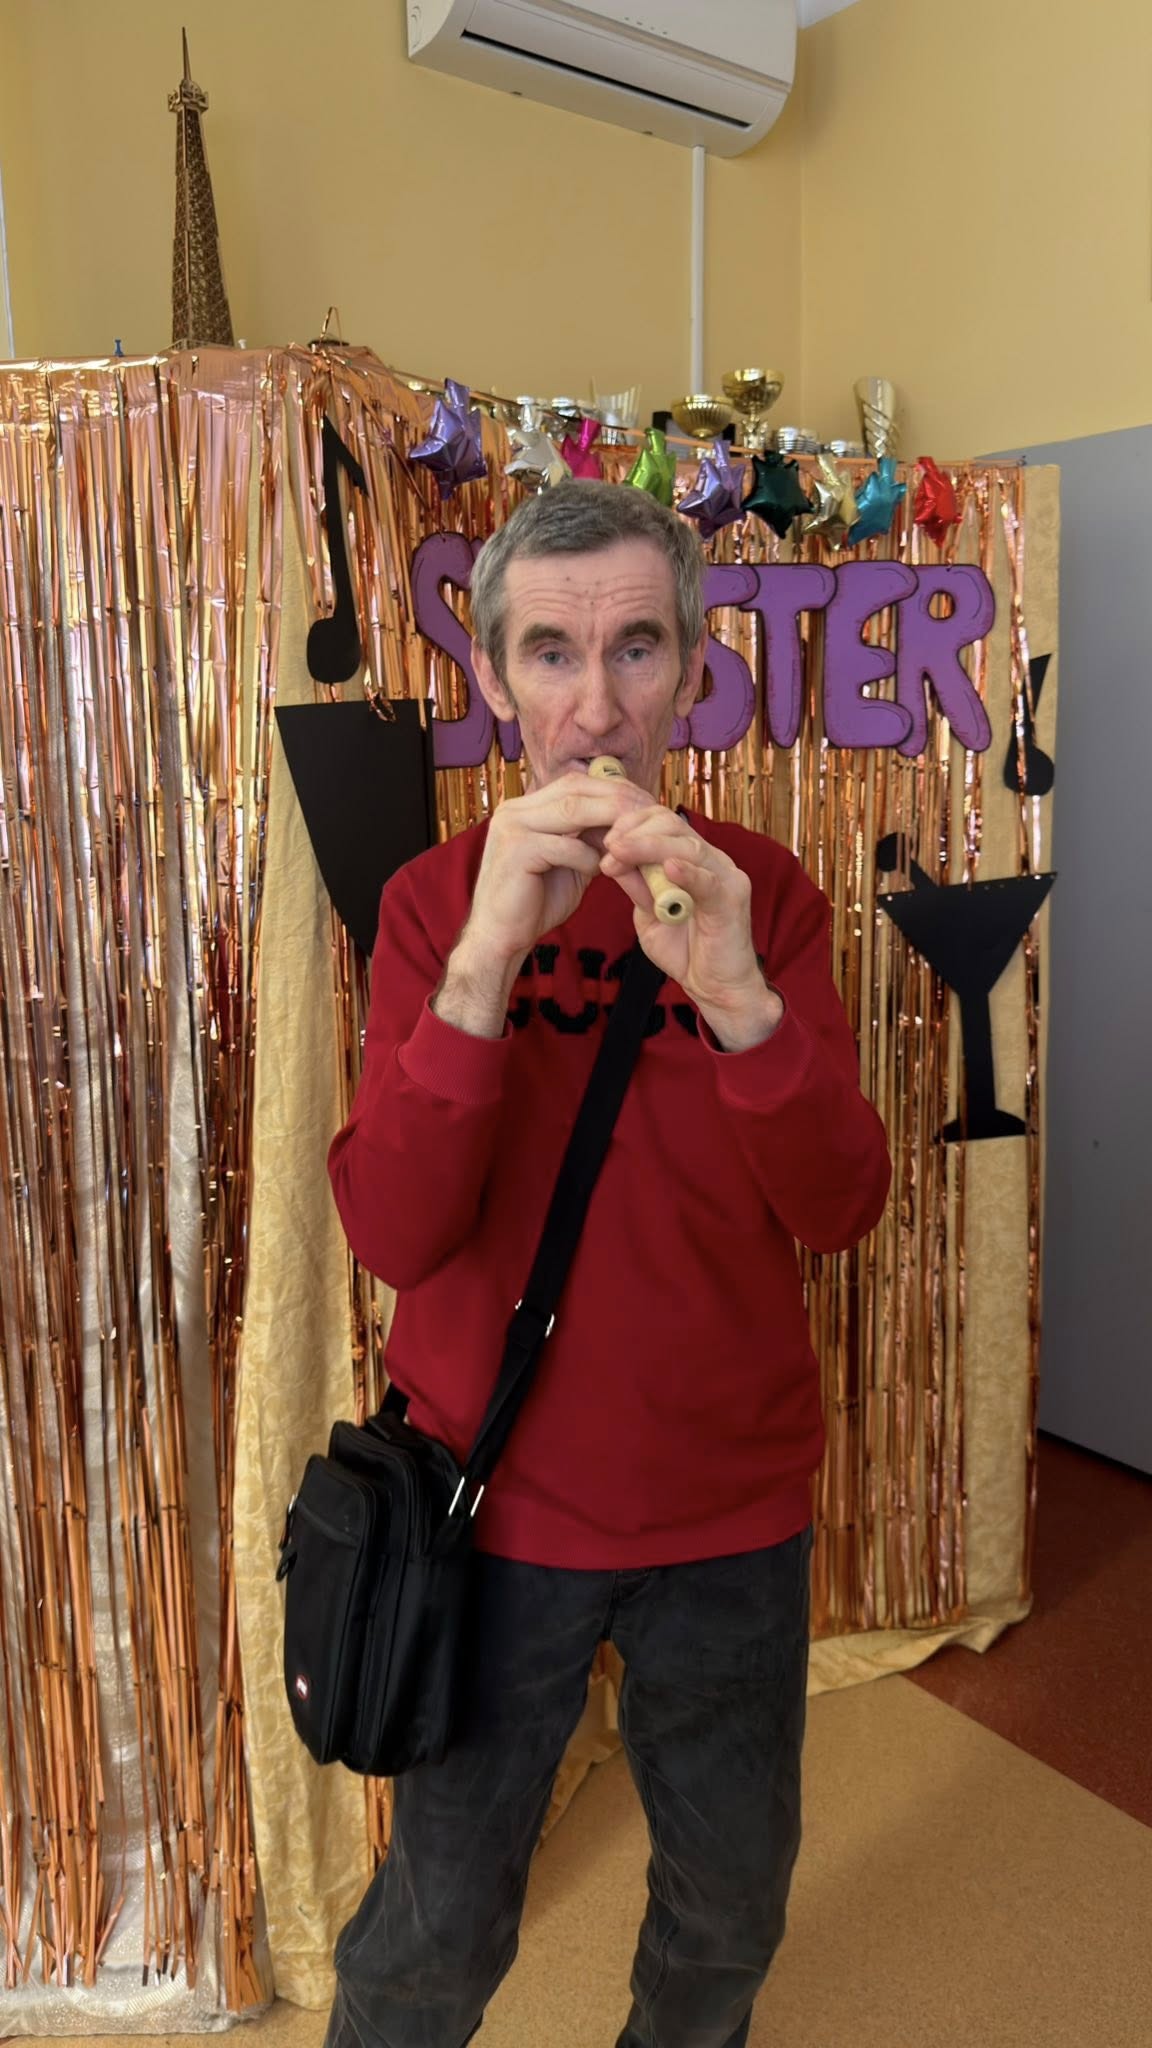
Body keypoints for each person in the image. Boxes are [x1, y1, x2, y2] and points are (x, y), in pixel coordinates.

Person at [324, 481, 891, 2048]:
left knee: (730, 1910)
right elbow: (392, 1231)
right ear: (495, 678)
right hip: (490, 1506)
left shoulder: (766, 895)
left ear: (691, 672)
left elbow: (842, 1207)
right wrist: (485, 962)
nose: (595, 707)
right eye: (552, 654)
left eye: (637, 648)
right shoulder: (431, 905)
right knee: (432, 1936)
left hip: (728, 1513)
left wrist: (737, 995)